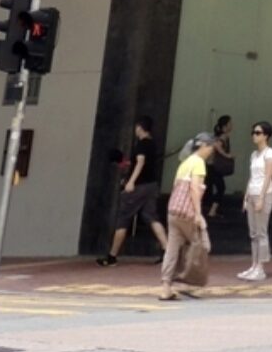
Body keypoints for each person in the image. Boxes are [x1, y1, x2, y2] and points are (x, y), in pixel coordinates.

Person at [99, 115, 168, 267]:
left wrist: (131, 182)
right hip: (152, 185)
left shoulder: (141, 144)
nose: (135, 129)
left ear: (140, 128)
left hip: (139, 186)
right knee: (151, 216)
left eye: (136, 127)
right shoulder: (152, 144)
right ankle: (167, 250)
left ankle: (112, 256)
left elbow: (140, 162)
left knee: (123, 218)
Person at [159, 132, 212, 301]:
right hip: (188, 213)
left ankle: (166, 287)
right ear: (203, 146)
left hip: (174, 210)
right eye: (210, 147)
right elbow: (195, 189)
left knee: (172, 249)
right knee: (199, 245)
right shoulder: (199, 163)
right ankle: (190, 284)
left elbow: (176, 186)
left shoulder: (185, 163)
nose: (211, 151)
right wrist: (198, 214)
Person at [239, 120, 272, 282]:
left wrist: (261, 197)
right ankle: (254, 265)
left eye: (258, 133)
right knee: (253, 232)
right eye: (253, 132)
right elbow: (252, 177)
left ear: (266, 136)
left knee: (261, 232)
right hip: (252, 193)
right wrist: (246, 196)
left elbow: (268, 176)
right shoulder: (254, 155)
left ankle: (261, 268)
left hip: (263, 194)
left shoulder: (270, 153)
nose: (254, 136)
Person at [206, 115, 235, 219]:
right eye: (230, 123)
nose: (232, 125)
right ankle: (212, 211)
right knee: (220, 187)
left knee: (212, 187)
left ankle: (211, 210)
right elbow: (217, 145)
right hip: (214, 167)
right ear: (225, 126)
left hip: (211, 166)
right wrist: (227, 155)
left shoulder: (222, 136)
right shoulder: (223, 137)